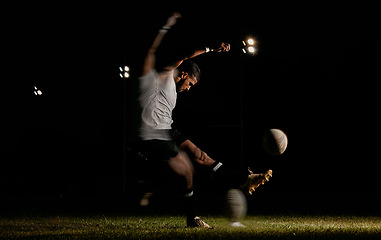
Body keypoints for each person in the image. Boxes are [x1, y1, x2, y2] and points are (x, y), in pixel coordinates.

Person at [133, 12, 272, 228]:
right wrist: (210, 48)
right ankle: (190, 216)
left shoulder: (172, 90)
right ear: (185, 74)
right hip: (153, 134)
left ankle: (243, 180)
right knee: (186, 172)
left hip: (166, 130)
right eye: (190, 84)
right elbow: (184, 53)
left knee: (201, 157)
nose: (188, 89)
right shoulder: (165, 73)